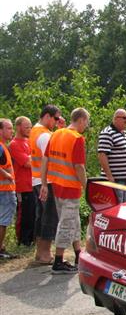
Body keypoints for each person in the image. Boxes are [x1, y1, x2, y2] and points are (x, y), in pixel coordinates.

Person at [40, 108, 90, 274]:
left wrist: (44, 183)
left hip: (57, 185)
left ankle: (78, 253)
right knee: (66, 224)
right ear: (81, 120)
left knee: (73, 220)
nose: (86, 126)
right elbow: (79, 167)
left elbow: (45, 159)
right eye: (86, 122)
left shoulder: (56, 133)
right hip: (70, 187)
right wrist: (86, 186)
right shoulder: (77, 138)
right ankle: (59, 260)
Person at [30, 104, 61, 264]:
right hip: (46, 181)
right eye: (56, 118)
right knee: (49, 216)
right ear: (47, 116)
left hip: (36, 179)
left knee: (41, 215)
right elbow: (47, 159)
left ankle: (39, 251)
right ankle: (44, 253)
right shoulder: (44, 135)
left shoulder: (35, 131)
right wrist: (44, 183)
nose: (57, 121)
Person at [9, 116, 35, 247]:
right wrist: (35, 157)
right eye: (26, 127)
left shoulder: (28, 141)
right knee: (24, 213)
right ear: (18, 127)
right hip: (22, 185)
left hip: (33, 184)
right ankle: (23, 239)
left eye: (30, 127)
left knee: (33, 213)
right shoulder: (14, 144)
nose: (29, 129)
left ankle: (31, 238)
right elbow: (27, 163)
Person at [97, 109, 126, 202]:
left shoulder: (123, 133)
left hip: (123, 179)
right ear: (116, 119)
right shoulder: (107, 133)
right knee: (116, 206)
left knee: (123, 206)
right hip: (115, 179)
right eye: (124, 118)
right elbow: (102, 155)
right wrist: (109, 177)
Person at [0, 119, 17, 259]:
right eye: (9, 128)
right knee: (3, 221)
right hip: (4, 190)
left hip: (5, 189)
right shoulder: (0, 146)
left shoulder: (3, 146)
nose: (12, 131)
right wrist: (6, 174)